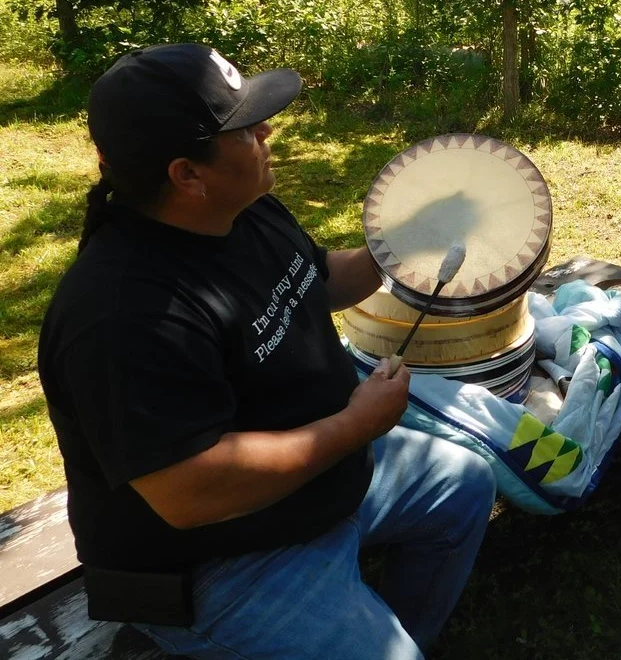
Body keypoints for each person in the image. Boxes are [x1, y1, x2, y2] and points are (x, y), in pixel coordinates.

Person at [38, 44, 497, 660]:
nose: (268, 130)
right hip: (215, 560)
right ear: (187, 174)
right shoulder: (124, 314)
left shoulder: (244, 211)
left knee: (464, 483)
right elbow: (191, 492)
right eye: (246, 129)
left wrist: (404, 245)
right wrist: (358, 423)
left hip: (321, 485)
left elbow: (318, 279)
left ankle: (402, 632)